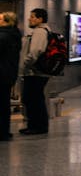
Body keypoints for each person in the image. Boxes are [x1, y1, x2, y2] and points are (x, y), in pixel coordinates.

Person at [18, 8, 51, 136]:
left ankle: (37, 126)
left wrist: (25, 63)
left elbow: (36, 51)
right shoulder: (44, 31)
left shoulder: (40, 32)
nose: (29, 19)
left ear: (40, 19)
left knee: (32, 98)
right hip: (37, 71)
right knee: (35, 98)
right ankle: (36, 125)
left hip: (35, 72)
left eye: (32, 17)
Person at [0, 12, 20, 141]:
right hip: (8, 73)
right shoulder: (15, 34)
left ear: (7, 21)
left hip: (1, 73)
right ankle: (4, 131)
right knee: (4, 103)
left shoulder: (3, 36)